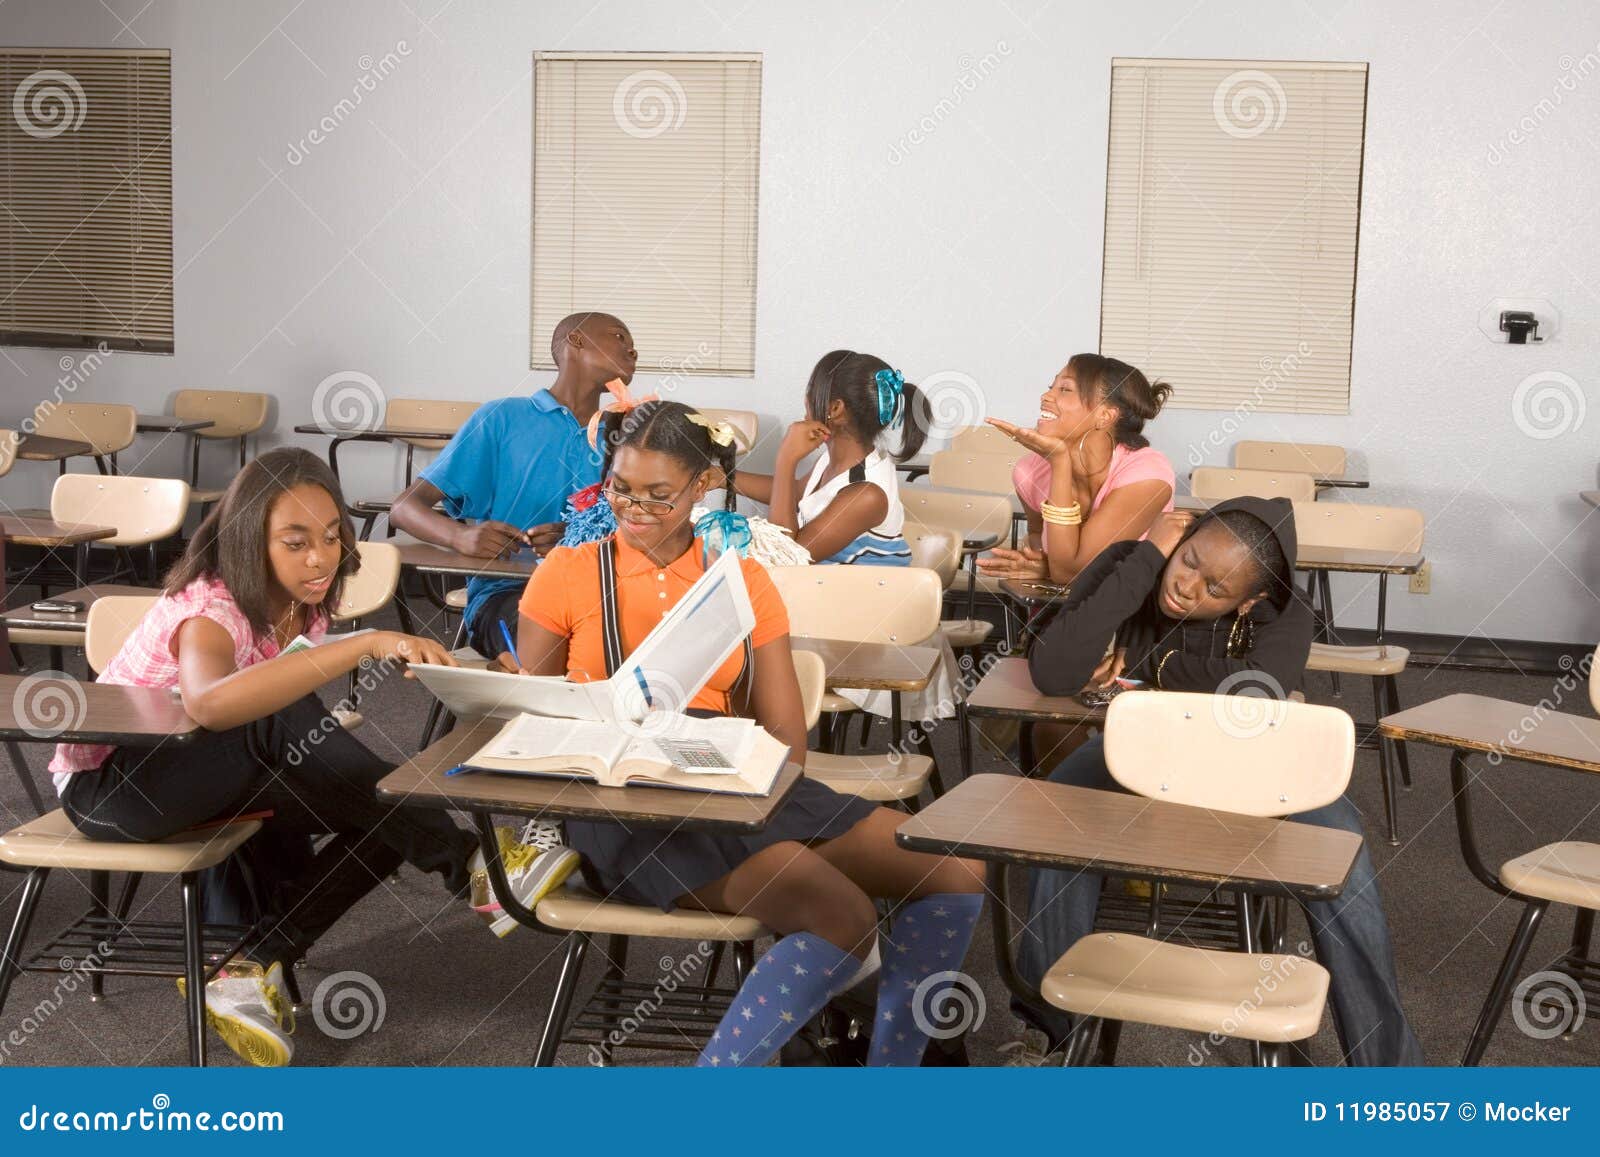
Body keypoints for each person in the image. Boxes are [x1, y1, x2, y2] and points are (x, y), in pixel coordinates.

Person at [49, 449, 576, 1067]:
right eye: (295, 543)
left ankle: (248, 965)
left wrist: (482, 676)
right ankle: (470, 864)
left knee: (389, 807)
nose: (321, 557)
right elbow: (215, 705)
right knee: (280, 715)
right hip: (115, 789)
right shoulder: (211, 607)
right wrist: (367, 642)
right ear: (251, 540)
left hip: (207, 775)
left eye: (331, 537)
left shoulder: (302, 596)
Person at [511, 400, 987, 1067]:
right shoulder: (567, 571)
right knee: (840, 911)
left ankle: (890, 1073)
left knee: (958, 870)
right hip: (619, 802)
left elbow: (787, 737)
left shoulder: (742, 576)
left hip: (737, 779)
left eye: (659, 494)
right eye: (621, 486)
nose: (634, 507)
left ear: (703, 485)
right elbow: (533, 725)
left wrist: (739, 777)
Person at [1006, 497, 1424, 1066]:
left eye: (1217, 590)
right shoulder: (1133, 562)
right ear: (1182, 534)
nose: (1186, 586)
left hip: (1259, 771)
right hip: (1137, 756)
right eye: (1189, 560)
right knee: (1054, 817)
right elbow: (1054, 670)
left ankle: (1389, 1071)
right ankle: (1059, 1034)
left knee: (1342, 857)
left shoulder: (1286, 609)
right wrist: (1149, 556)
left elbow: (1252, 698)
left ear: (1249, 601)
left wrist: (1144, 668)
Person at [388, 311, 634, 658]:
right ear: (575, 341)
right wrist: (460, 536)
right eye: (619, 337)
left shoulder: (627, 433)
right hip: (510, 593)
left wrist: (580, 539)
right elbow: (403, 508)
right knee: (561, 642)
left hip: (604, 590)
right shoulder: (501, 419)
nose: (632, 350)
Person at [979, 353, 1174, 587]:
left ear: (1105, 416)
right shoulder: (1029, 472)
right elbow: (1037, 536)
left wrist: (1060, 461)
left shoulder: (1148, 474)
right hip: (1055, 608)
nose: (1045, 396)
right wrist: (1043, 563)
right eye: (1051, 387)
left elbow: (1069, 575)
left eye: (1065, 390)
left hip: (1129, 614)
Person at [733, 350, 926, 565]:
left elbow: (785, 559)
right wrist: (724, 478)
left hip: (861, 595)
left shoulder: (866, 493)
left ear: (835, 409)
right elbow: (796, 493)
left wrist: (786, 459)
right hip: (824, 583)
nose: (806, 399)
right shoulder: (840, 459)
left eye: (812, 391)